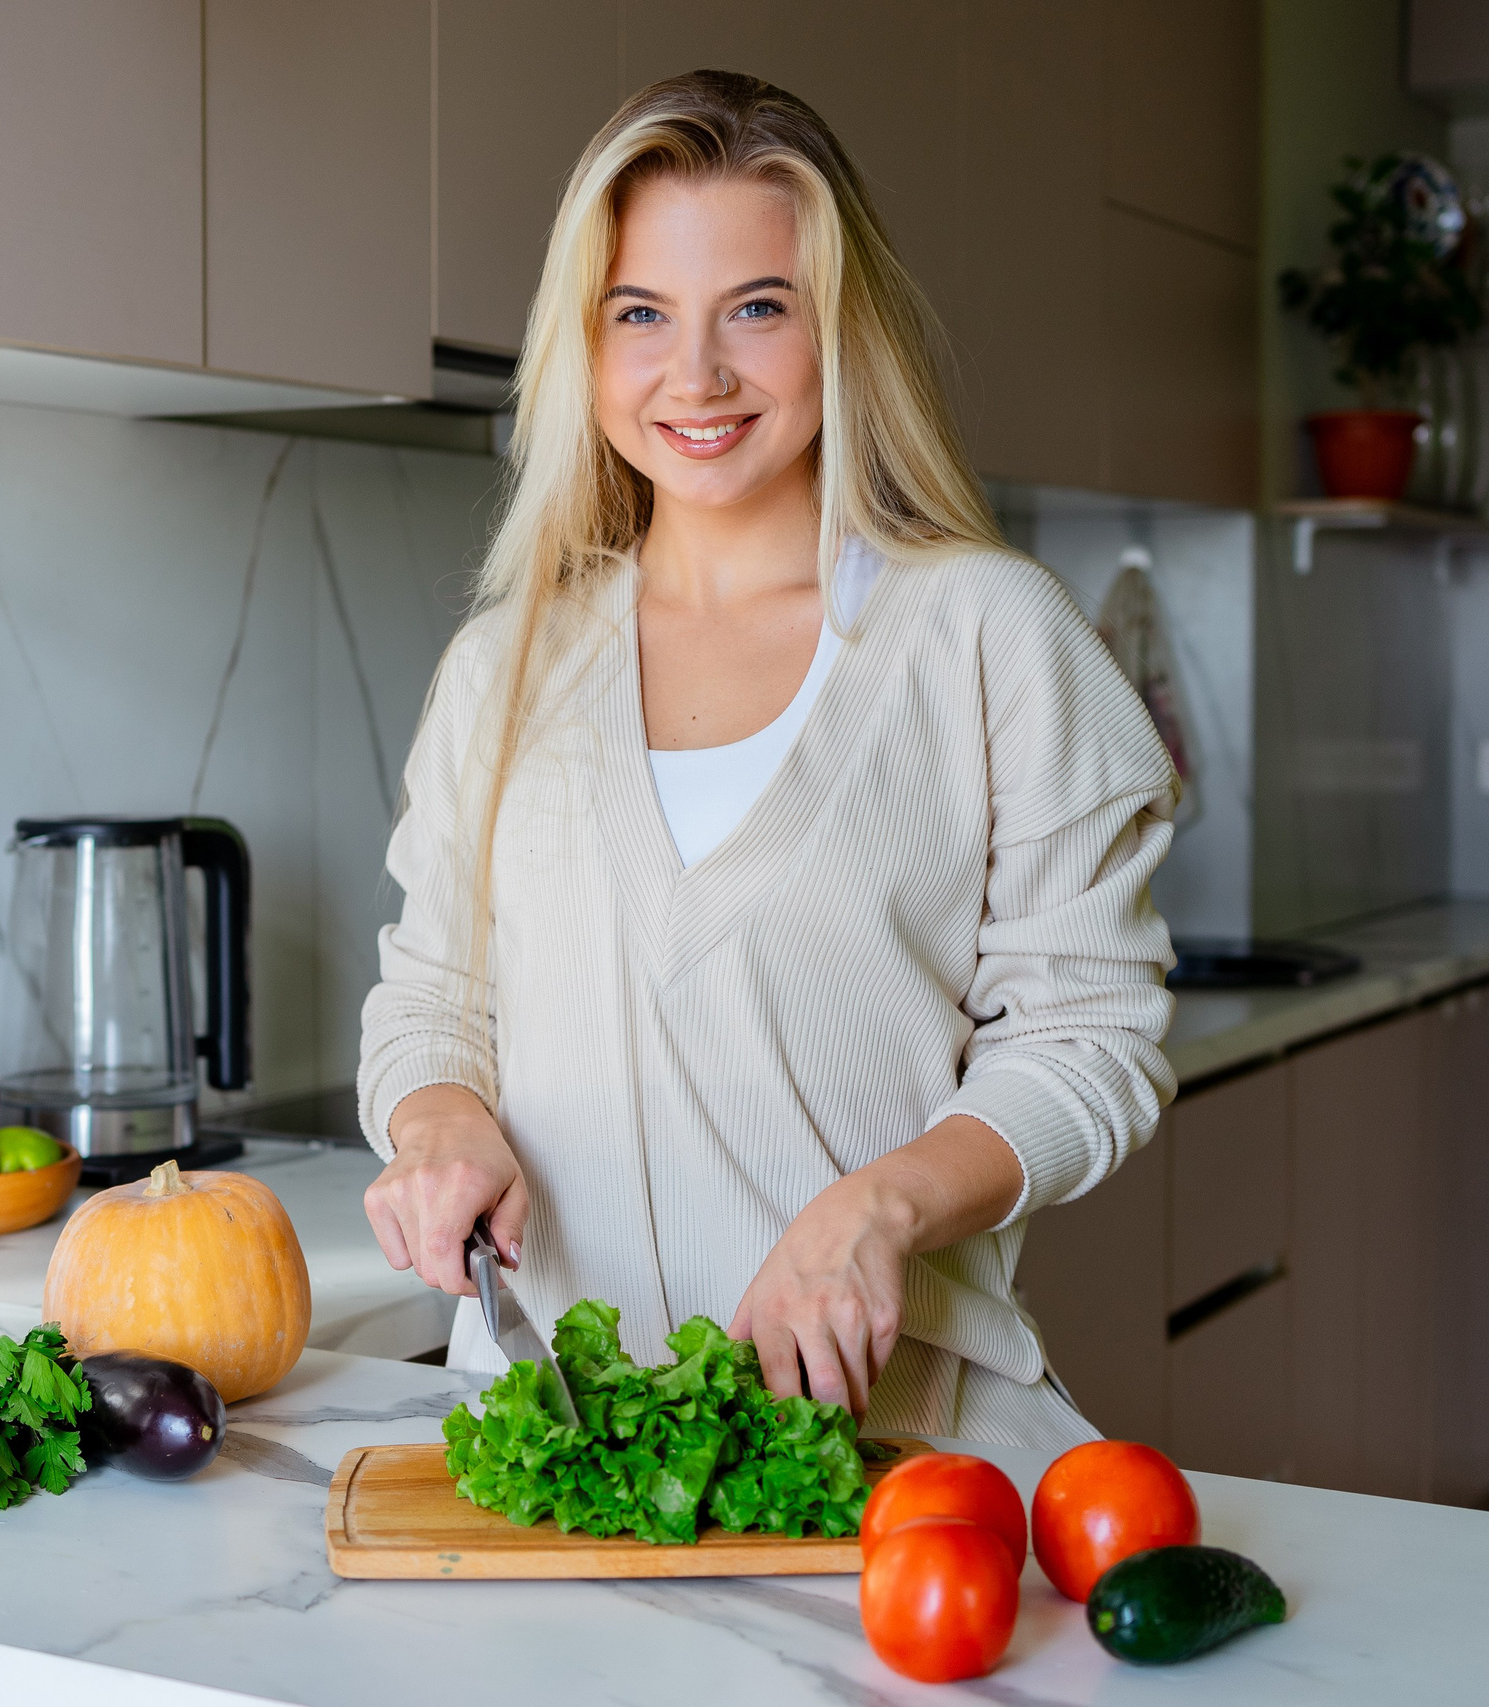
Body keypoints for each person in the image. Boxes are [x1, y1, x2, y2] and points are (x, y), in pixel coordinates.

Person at [355, 70, 1178, 1449]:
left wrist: (876, 1210)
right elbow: (437, 1001)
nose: (698, 375)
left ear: (837, 332)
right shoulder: (505, 673)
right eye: (641, 315)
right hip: (555, 1453)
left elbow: (1093, 1043)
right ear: (587, 347)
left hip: (903, 1455)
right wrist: (440, 1125)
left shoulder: (987, 635)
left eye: (757, 307)